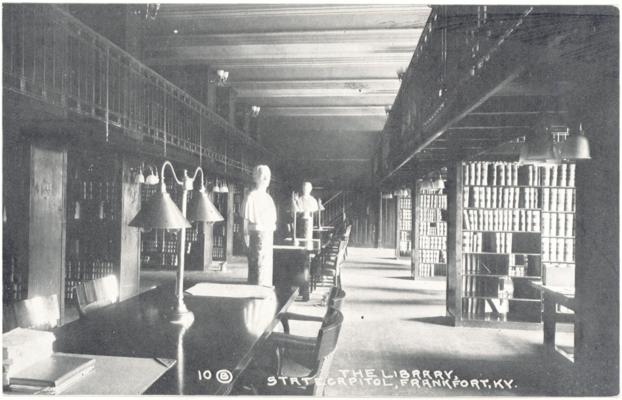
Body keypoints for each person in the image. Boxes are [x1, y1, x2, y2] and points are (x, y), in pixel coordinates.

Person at [242, 165, 277, 286]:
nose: (266, 178)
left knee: (265, 274)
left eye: (268, 176)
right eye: (263, 175)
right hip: (256, 237)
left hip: (267, 239)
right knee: (257, 273)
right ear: (256, 177)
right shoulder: (251, 197)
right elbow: (245, 224)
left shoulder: (269, 199)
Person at [295, 181, 319, 248]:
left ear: (310, 189)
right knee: (301, 241)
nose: (305, 190)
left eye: (307, 188)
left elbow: (315, 208)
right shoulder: (299, 200)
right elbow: (298, 209)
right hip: (301, 222)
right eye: (304, 188)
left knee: (308, 240)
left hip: (309, 221)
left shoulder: (313, 200)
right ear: (302, 189)